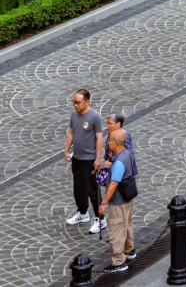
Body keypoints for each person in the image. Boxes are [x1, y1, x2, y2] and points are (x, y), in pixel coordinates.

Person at [97, 127, 137, 273]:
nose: (108, 144)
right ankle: (129, 250)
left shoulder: (119, 161)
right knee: (127, 224)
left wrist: (103, 202)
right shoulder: (126, 153)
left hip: (118, 201)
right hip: (127, 198)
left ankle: (119, 261)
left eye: (111, 141)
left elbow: (113, 184)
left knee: (116, 228)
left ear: (117, 143)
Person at [65, 88, 104, 233]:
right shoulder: (74, 115)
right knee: (79, 187)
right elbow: (72, 132)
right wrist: (66, 149)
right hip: (77, 158)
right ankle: (83, 213)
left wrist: (98, 158)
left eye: (78, 103)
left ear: (87, 101)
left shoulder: (94, 116)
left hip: (90, 159)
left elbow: (99, 138)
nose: (75, 105)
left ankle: (100, 218)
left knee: (93, 190)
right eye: (74, 102)